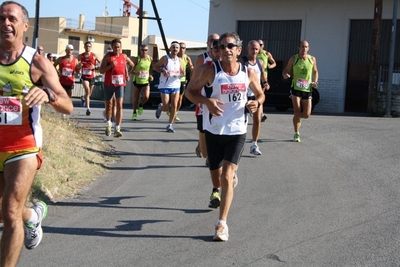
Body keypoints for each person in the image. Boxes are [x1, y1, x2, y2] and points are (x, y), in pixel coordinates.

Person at [0, 2, 73, 266]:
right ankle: (32, 216)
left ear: (24, 26)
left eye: (12, 19)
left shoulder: (37, 62)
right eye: (1, 18)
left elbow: (68, 105)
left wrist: (48, 94)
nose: (6, 23)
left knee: (9, 212)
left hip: (24, 146)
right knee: (7, 212)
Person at [186, 32, 265, 241]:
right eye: (221, 47)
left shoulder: (248, 73)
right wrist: (206, 101)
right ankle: (225, 181)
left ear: (239, 50)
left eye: (230, 46)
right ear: (217, 51)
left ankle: (221, 224)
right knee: (217, 179)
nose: (226, 50)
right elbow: (190, 93)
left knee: (227, 176)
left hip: (237, 131)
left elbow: (260, 94)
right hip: (214, 131)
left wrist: (256, 102)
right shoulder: (209, 71)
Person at [282, 40, 318, 142]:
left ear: (308, 48)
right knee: (297, 111)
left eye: (306, 47)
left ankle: (297, 119)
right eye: (302, 47)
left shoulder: (312, 59)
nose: (304, 49)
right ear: (299, 48)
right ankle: (296, 133)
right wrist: (285, 75)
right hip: (296, 89)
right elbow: (285, 70)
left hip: (307, 89)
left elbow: (315, 71)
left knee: (307, 114)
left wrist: (315, 81)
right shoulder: (294, 59)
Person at [239, 40, 270, 155]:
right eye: (252, 49)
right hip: (243, 95)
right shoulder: (242, 61)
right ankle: (238, 143)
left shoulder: (260, 62)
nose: (254, 51)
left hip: (255, 94)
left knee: (257, 119)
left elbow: (262, 74)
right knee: (242, 121)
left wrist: (265, 82)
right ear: (247, 49)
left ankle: (254, 144)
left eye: (256, 49)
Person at [99, 38, 134, 137]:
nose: (117, 49)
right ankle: (109, 124)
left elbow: (132, 64)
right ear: (112, 47)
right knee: (109, 106)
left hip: (120, 85)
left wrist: (127, 74)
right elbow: (101, 70)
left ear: (121, 47)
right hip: (109, 84)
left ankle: (117, 128)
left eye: (118, 47)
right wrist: (110, 65)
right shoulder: (108, 56)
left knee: (119, 105)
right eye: (115, 47)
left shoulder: (124, 56)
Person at [193, 33, 220, 163]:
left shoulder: (226, 62)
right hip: (203, 102)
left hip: (220, 102)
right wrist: (199, 100)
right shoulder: (202, 59)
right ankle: (203, 145)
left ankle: (215, 157)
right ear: (209, 44)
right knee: (203, 129)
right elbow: (195, 81)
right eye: (212, 41)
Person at [153, 41, 185, 133]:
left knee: (174, 105)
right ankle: (161, 107)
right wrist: (163, 70)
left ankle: (170, 125)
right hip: (165, 85)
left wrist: (180, 75)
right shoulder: (165, 58)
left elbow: (183, 72)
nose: (175, 49)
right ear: (170, 48)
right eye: (173, 47)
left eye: (177, 48)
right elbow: (155, 67)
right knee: (166, 107)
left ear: (179, 50)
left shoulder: (180, 60)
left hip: (176, 84)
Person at [78, 41, 100, 116]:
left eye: (89, 46)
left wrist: (95, 67)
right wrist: (79, 66)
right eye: (86, 46)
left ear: (91, 47)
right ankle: (88, 109)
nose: (88, 47)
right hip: (84, 76)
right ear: (84, 47)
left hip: (92, 76)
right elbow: (76, 65)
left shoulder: (94, 55)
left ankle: (83, 98)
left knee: (89, 93)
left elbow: (101, 64)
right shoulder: (81, 56)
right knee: (87, 91)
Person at [131, 44, 153, 120]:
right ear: (140, 50)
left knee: (146, 96)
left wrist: (150, 75)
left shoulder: (150, 58)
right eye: (142, 50)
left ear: (147, 51)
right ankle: (134, 112)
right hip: (137, 81)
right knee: (136, 97)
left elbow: (150, 68)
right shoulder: (137, 59)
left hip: (145, 81)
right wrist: (135, 73)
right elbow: (130, 70)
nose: (144, 51)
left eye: (145, 50)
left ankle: (141, 104)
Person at [257, 39, 276, 122]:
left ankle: (261, 114)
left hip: (263, 78)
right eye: (258, 44)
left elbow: (274, 63)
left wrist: (270, 66)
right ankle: (258, 112)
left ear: (263, 46)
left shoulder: (266, 54)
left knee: (260, 95)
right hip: (254, 78)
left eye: (261, 44)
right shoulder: (254, 53)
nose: (259, 46)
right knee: (257, 96)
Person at [175, 42, 194, 121]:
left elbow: (192, 67)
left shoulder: (186, 58)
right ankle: (168, 108)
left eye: (183, 48)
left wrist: (194, 74)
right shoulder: (174, 57)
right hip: (174, 80)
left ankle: (175, 113)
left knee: (180, 99)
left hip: (182, 80)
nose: (182, 49)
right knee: (174, 98)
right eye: (181, 48)